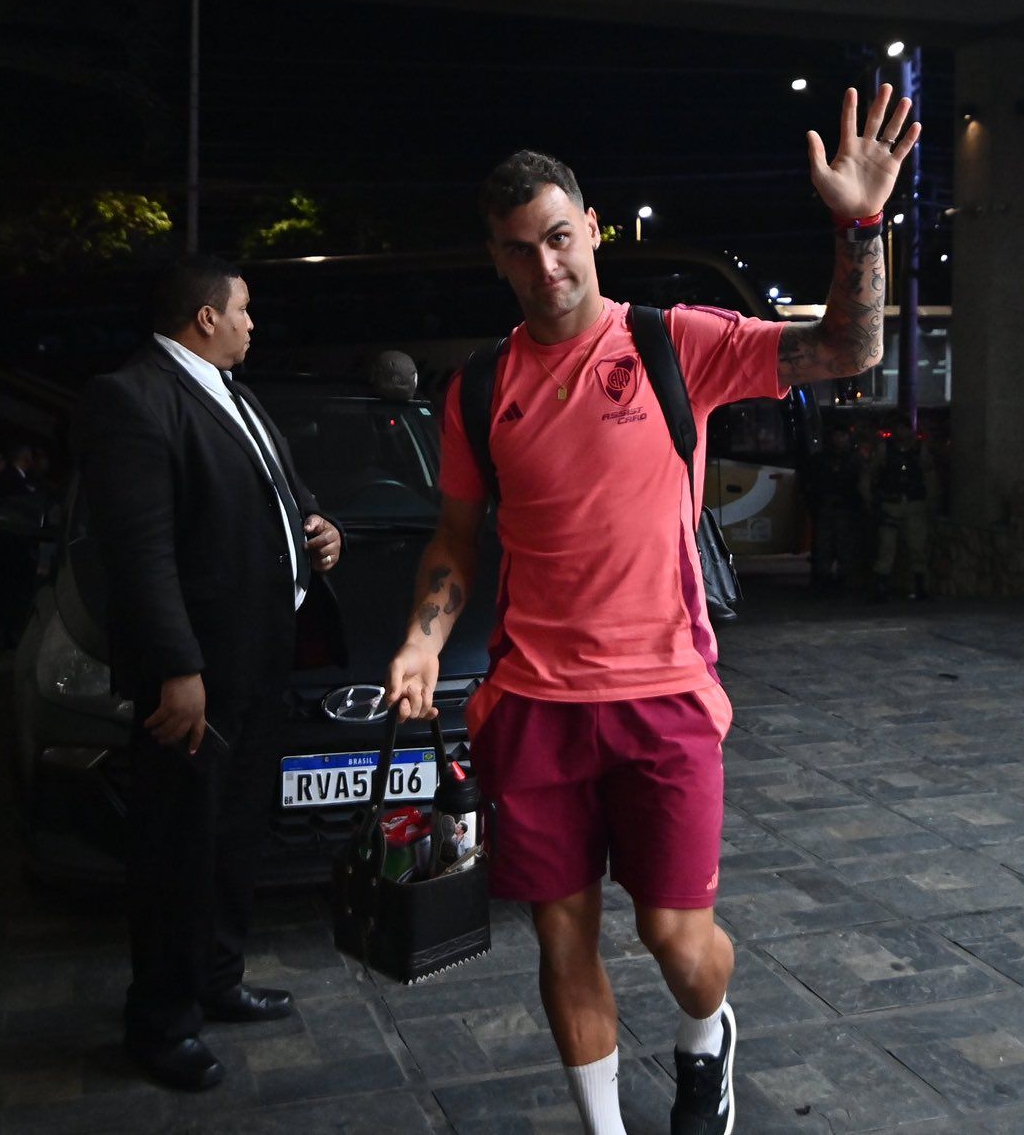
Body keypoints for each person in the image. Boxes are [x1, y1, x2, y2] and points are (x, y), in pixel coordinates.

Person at [383, 85, 913, 1135]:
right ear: (494, 259)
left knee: (677, 938)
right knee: (561, 939)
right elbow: (455, 535)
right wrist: (420, 638)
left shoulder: (678, 344)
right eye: (519, 250)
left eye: (560, 238)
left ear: (591, 227)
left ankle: (707, 1034)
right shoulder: (479, 387)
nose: (546, 267)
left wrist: (858, 226)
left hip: (664, 694)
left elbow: (848, 352)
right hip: (531, 703)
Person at [73, 255, 346, 1093]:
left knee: (233, 840)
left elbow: (274, 496)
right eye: (245, 310)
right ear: (204, 319)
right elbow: (142, 555)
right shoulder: (134, 398)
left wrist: (317, 532)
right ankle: (160, 1024)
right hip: (199, 677)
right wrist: (177, 670)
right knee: (176, 851)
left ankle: (218, 981)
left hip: (261, 661)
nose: (253, 323)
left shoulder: (234, 390)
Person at [869, 418, 934, 603]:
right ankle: (881, 589)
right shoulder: (885, 450)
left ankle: (920, 587)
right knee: (886, 548)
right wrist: (872, 499)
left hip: (914, 504)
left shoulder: (919, 450)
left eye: (905, 428)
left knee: (917, 547)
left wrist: (930, 500)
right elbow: (871, 474)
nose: (902, 433)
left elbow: (929, 475)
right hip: (891, 504)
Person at [804, 424, 867, 590]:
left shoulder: (854, 459)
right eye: (837, 436)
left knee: (844, 545)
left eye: (843, 436)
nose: (839, 440)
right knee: (824, 545)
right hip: (826, 506)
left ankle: (843, 578)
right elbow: (812, 483)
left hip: (845, 507)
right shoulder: (822, 459)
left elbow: (861, 483)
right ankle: (823, 578)